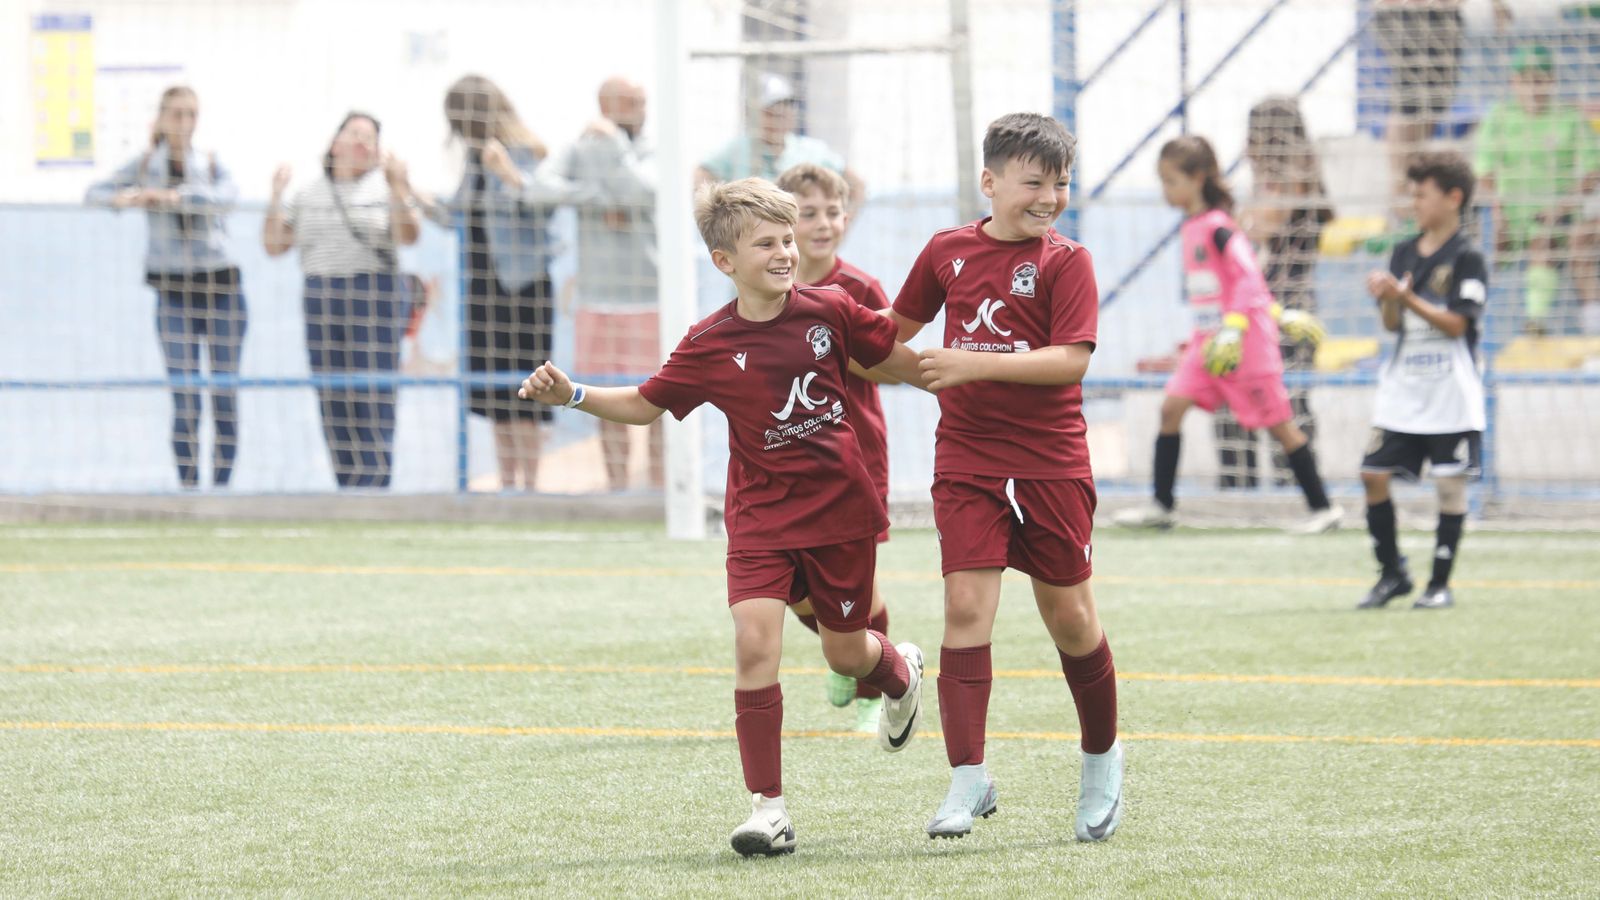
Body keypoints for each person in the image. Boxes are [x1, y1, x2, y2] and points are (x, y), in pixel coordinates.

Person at [517, 178, 928, 857]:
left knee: (845, 652)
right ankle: (769, 810)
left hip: (840, 515)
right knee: (753, 643)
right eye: (765, 243)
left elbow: (905, 361)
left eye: (787, 240)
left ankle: (901, 672)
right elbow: (647, 403)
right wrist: (576, 394)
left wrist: (982, 377)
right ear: (724, 261)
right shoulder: (709, 341)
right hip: (760, 519)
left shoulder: (833, 309)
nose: (784, 253)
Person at [888, 112, 1120, 842]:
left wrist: (967, 363)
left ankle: (1101, 761)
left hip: (1051, 463)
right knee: (964, 610)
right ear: (990, 183)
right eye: (1033, 182)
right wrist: (840, 349)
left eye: (1060, 183)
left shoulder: (1066, 261)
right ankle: (966, 780)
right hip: (967, 459)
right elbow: (890, 335)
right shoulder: (945, 252)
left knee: (1072, 621)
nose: (1049, 195)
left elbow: (1071, 360)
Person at [1114, 136, 1341, 534]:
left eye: (1171, 180)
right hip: (1208, 344)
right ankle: (1161, 504)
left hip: (1244, 346)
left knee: (1279, 424)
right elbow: (1227, 289)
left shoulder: (1221, 228)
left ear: (1198, 178)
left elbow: (1249, 279)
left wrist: (1242, 327)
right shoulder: (1193, 227)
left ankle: (1323, 508)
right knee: (1170, 409)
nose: (1166, 190)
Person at [774, 162, 896, 733]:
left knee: (859, 581)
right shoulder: (767, 288)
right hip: (791, 460)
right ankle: (843, 648)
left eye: (832, 212)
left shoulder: (861, 289)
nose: (822, 224)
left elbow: (889, 362)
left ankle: (877, 692)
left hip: (857, 455)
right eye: (807, 213)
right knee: (796, 586)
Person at [85, 86, 246, 490]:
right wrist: (128, 199)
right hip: (172, 293)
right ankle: (189, 487)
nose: (183, 123)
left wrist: (174, 197)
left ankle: (222, 488)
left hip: (221, 289)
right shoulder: (143, 165)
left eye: (191, 114)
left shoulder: (208, 164)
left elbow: (226, 198)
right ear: (159, 118)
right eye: (175, 114)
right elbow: (93, 194)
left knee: (223, 394)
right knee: (185, 394)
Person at [263, 111, 420, 489]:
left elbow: (409, 236)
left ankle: (376, 485)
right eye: (355, 134)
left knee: (375, 392)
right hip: (321, 297)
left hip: (374, 295)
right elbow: (274, 245)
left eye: (371, 138)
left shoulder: (384, 190)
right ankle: (346, 485)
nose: (363, 143)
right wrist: (274, 196)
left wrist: (399, 186)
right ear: (335, 143)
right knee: (333, 393)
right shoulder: (306, 193)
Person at [1359, 151, 1488, 611]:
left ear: (1453, 198)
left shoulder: (1468, 256)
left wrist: (1406, 296)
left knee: (1450, 486)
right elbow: (1393, 324)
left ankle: (1439, 583)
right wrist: (1388, 300)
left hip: (1450, 392)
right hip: (1405, 387)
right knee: (1372, 473)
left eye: (1421, 194)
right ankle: (1392, 572)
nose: (1413, 202)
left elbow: (1458, 323)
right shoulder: (1404, 250)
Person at [419, 75, 558, 490]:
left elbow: (541, 207)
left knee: (529, 389)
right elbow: (457, 216)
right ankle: (508, 481)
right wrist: (412, 192)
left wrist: (510, 173)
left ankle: (530, 484)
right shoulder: (474, 160)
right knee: (497, 397)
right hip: (482, 289)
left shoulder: (524, 152)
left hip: (523, 285)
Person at [533, 75, 661, 491]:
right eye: (628, 101)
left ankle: (662, 492)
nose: (638, 108)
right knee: (606, 402)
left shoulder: (655, 149)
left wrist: (615, 147)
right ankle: (619, 491)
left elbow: (642, 193)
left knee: (664, 401)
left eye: (641, 100)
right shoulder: (578, 148)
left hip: (652, 299)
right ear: (605, 105)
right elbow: (538, 189)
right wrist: (600, 198)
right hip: (597, 300)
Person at [1215, 97, 1333, 490]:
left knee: (1286, 403)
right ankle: (1242, 485)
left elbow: (1255, 229)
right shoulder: (1282, 180)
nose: (1248, 147)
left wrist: (1224, 213)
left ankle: (1295, 486)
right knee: (1237, 399)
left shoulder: (1294, 179)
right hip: (1262, 309)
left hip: (1288, 309)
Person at [1473, 44, 1600, 334]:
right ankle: (1472, 319)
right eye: (1526, 81)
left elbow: (1594, 170)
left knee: (1545, 241)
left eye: (1540, 81)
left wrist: (1562, 207)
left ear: (1552, 82)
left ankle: (1538, 321)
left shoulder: (1568, 117)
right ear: (1514, 83)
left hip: (1556, 216)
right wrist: (1497, 210)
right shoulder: (1500, 116)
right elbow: (1484, 172)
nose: (1533, 89)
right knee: (1482, 243)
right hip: (1510, 214)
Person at [1373, 0, 1512, 218]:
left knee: (1433, 103)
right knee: (1408, 105)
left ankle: (1412, 188)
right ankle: (1399, 194)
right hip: (1406, 12)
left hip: (1444, 13)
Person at [695, 73, 864, 211]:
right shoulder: (737, 150)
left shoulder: (812, 151)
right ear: (752, 114)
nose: (777, 120)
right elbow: (700, 177)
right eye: (770, 113)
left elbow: (857, 185)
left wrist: (840, 226)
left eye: (783, 112)